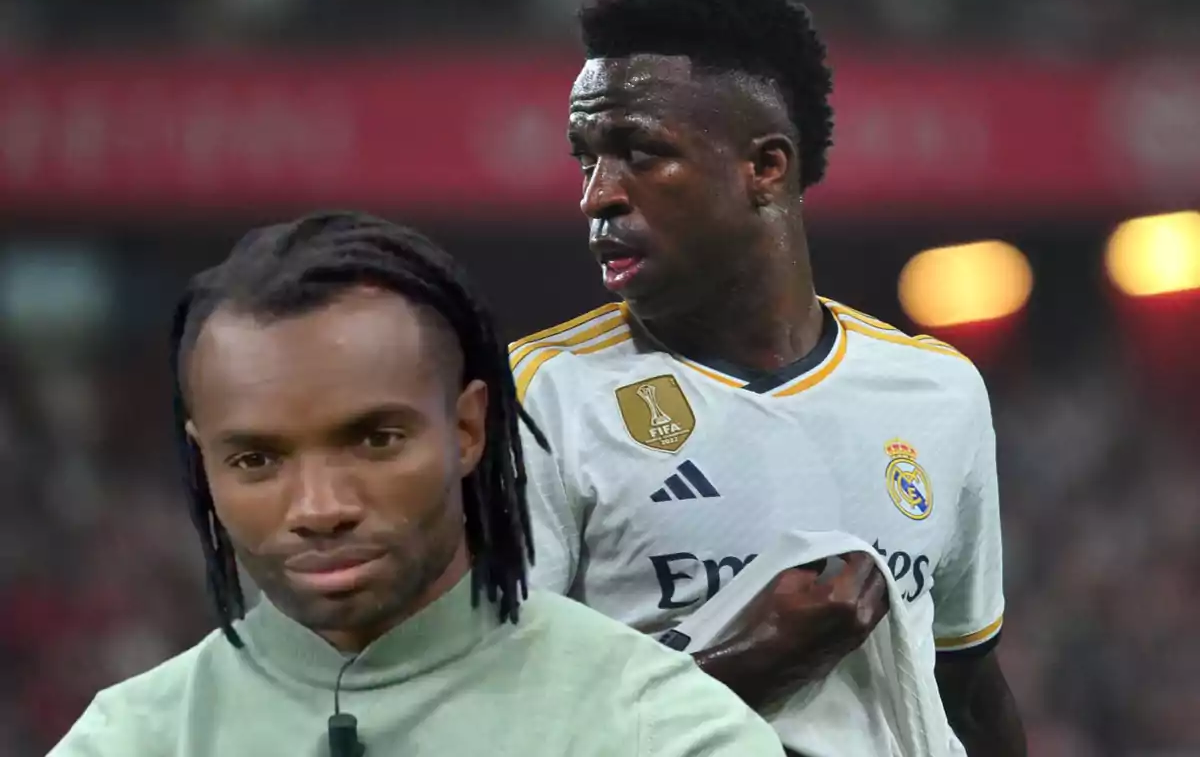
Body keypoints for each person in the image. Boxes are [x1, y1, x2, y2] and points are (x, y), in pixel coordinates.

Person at [512, 0, 1026, 756]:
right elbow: (499, 723)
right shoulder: (542, 399)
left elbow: (965, 687)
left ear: (766, 167)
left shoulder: (938, 391)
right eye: (586, 158)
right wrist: (743, 668)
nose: (596, 195)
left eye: (641, 154)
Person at [50, 212, 785, 757]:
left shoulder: (659, 731)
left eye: (375, 440)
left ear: (467, 430)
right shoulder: (127, 741)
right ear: (202, 464)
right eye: (256, 461)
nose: (319, 508)